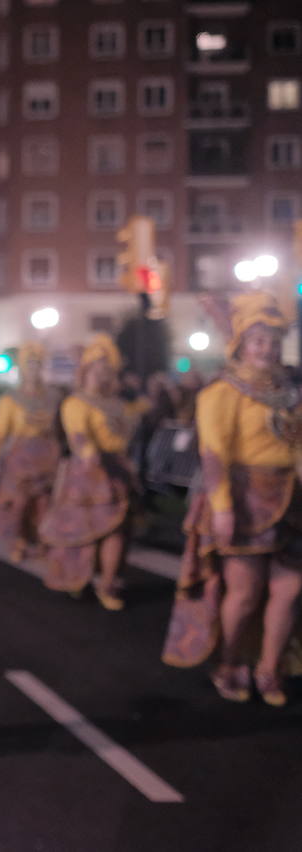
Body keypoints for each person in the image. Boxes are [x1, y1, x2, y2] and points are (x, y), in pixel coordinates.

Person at [163, 293, 302, 706]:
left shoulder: (291, 393)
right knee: (244, 592)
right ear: (242, 344)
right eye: (259, 340)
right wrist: (222, 507)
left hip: (290, 500)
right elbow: (214, 455)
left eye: (274, 341)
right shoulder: (220, 394)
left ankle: (268, 668)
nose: (268, 349)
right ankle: (227, 661)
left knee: (291, 590)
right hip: (243, 501)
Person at [39, 334, 135, 611]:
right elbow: (79, 438)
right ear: (87, 369)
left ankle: (107, 584)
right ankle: (76, 576)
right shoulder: (75, 403)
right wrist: (90, 455)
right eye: (97, 365)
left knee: (116, 530)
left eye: (107, 366)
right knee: (83, 531)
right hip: (86, 476)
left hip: (117, 470)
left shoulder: (117, 403)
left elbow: (125, 434)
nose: (102, 371)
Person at [0, 343, 62, 562]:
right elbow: (1, 433)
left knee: (45, 502)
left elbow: (60, 429)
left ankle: (43, 540)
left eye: (38, 364)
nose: (34, 369)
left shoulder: (54, 397)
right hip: (21, 458)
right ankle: (18, 540)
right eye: (30, 364)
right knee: (20, 500)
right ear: (22, 368)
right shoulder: (10, 399)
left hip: (47, 455)